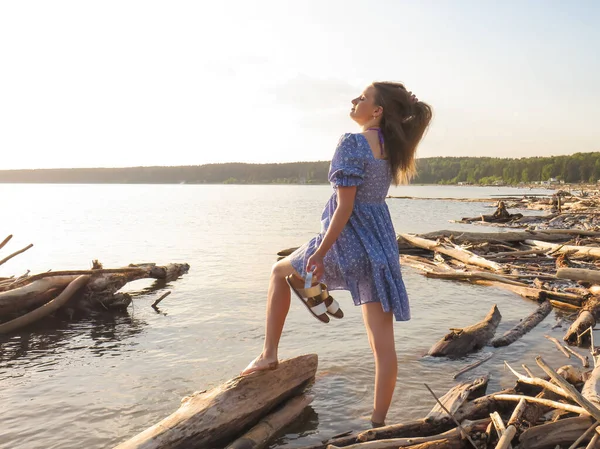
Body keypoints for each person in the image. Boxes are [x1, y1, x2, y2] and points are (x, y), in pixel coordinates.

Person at [241, 81, 433, 427]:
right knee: (383, 348)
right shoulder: (392, 148)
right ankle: (377, 423)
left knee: (278, 272)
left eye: (362, 97)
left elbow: (344, 208)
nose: (354, 100)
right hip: (381, 247)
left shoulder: (352, 142)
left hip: (349, 240)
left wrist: (321, 251)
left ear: (377, 111)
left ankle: (270, 353)